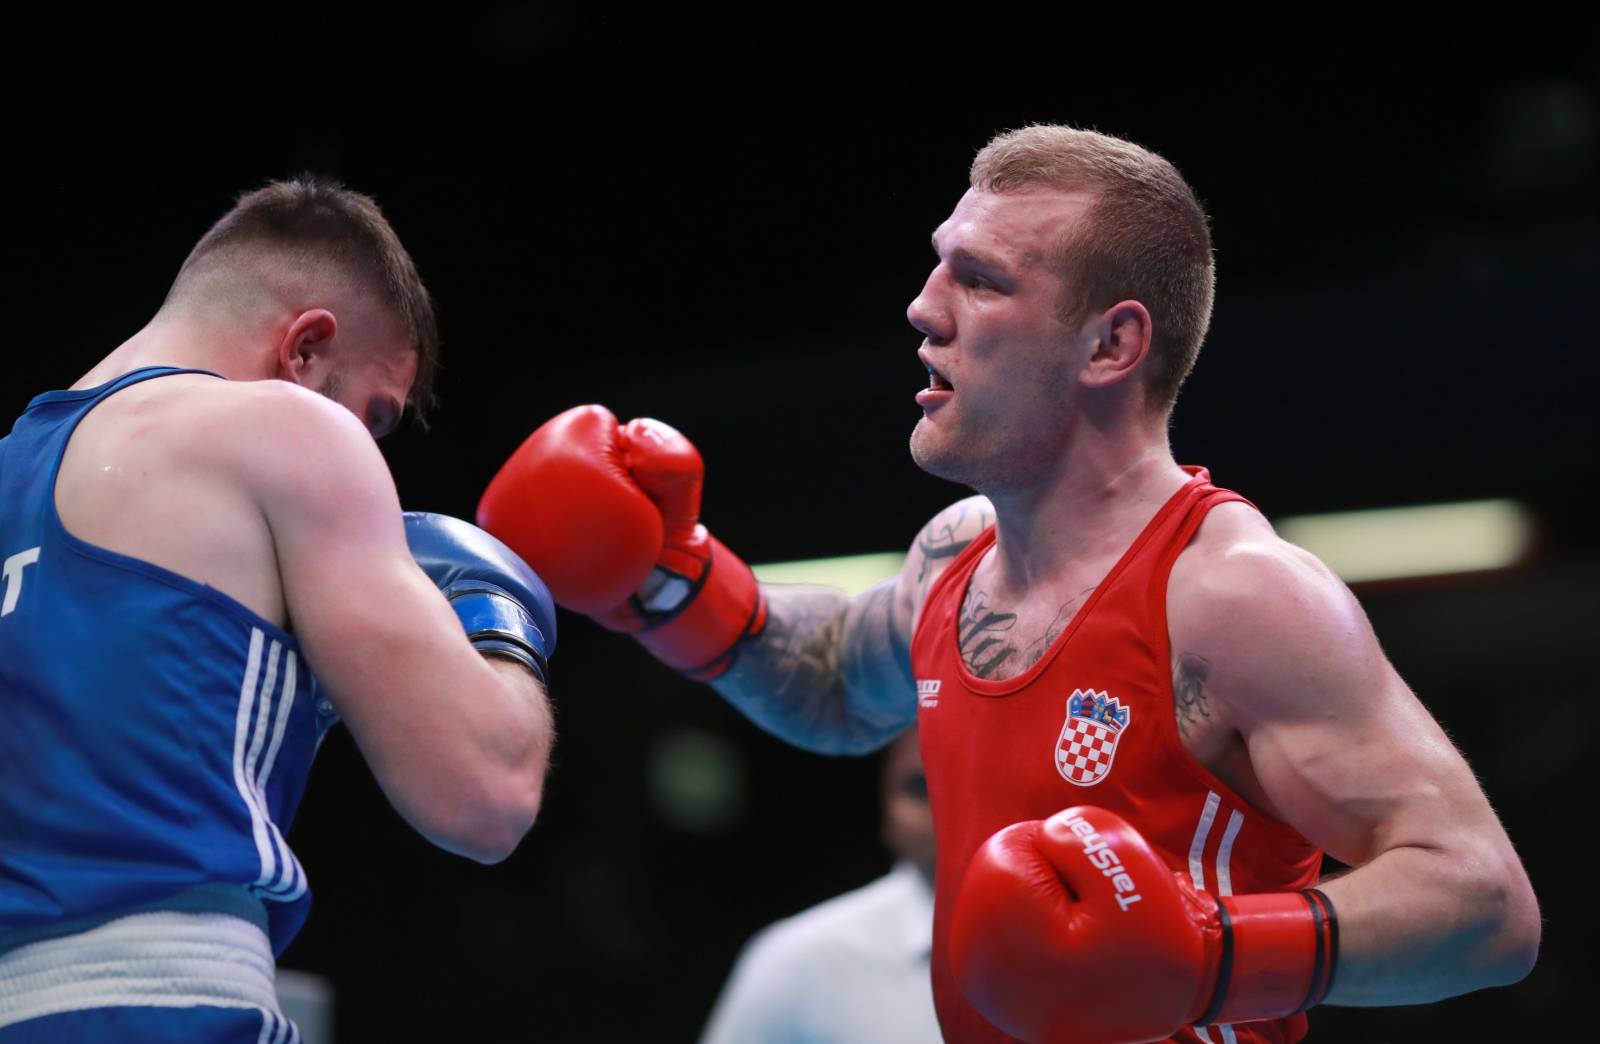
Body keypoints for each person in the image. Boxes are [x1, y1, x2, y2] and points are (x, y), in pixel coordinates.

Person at [478, 125, 1541, 1043]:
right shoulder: (955, 553)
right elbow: (840, 689)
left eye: (980, 280)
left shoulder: (1231, 595)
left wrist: (1209, 951)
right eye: (939, 267)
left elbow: (1486, 906)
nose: (922, 308)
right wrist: (670, 578)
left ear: (1111, 343)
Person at [0, 178, 556, 1043]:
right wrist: (499, 619)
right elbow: (486, 798)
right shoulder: (285, 429)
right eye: (371, 417)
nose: (366, 453)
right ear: (306, 347)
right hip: (167, 1007)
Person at [700, 727, 940, 1043]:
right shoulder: (797, 961)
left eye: (972, 784)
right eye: (921, 788)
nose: (945, 808)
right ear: (887, 816)